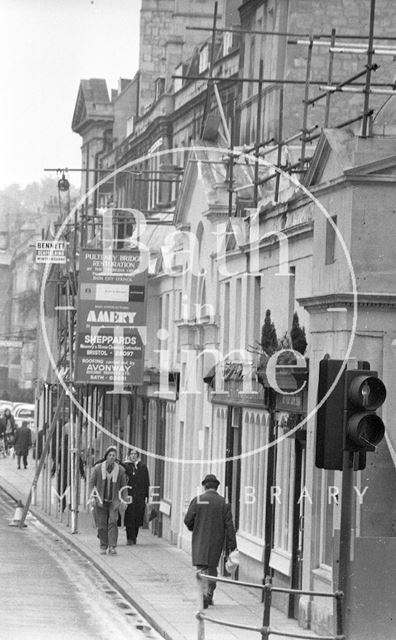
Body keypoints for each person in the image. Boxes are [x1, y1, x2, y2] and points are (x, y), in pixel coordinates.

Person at [184, 473, 237, 609]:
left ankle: (202, 594)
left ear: (205, 486)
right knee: (212, 567)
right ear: (217, 487)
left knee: (201, 567)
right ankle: (209, 594)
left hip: (200, 539)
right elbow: (229, 526)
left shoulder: (198, 500)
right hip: (216, 540)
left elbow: (188, 520)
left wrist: (194, 528)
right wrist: (232, 546)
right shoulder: (223, 502)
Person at [88, 446, 128, 555]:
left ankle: (112, 546)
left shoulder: (120, 470)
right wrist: (92, 497)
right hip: (101, 501)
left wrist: (124, 500)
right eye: (110, 455)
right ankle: (103, 545)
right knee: (101, 524)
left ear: (116, 457)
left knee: (113, 522)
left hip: (114, 501)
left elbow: (124, 487)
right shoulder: (98, 468)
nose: (111, 457)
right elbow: (91, 484)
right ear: (106, 456)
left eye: (114, 455)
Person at [122, 448, 150, 545]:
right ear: (129, 455)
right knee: (129, 516)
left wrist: (146, 496)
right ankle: (129, 538)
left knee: (137, 516)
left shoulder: (142, 467)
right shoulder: (125, 466)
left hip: (139, 496)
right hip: (129, 495)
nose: (133, 456)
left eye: (135, 454)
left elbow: (146, 482)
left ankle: (135, 537)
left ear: (138, 455)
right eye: (131, 454)